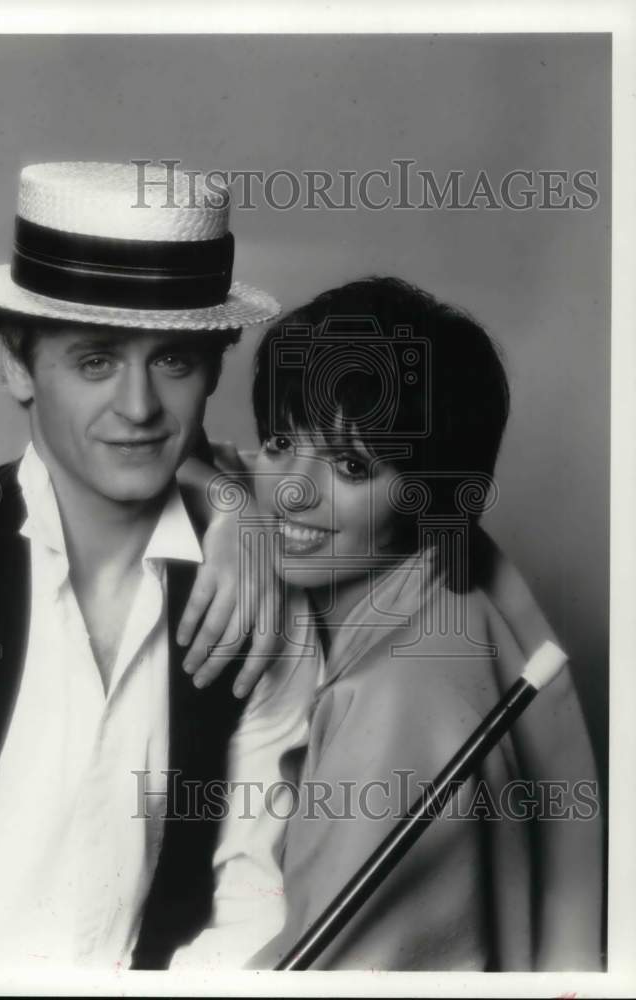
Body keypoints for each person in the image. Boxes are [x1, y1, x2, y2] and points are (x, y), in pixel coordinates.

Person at [0, 161, 319, 971]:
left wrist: (241, 507)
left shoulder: (260, 596)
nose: (140, 407)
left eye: (173, 361)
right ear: (16, 365)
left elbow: (252, 899)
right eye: (95, 362)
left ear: (215, 365)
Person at [225, 275, 601, 970]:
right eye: (280, 441)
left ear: (425, 491)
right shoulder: (455, 599)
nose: (293, 491)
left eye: (350, 465)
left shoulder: (398, 701)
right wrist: (225, 511)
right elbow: (217, 466)